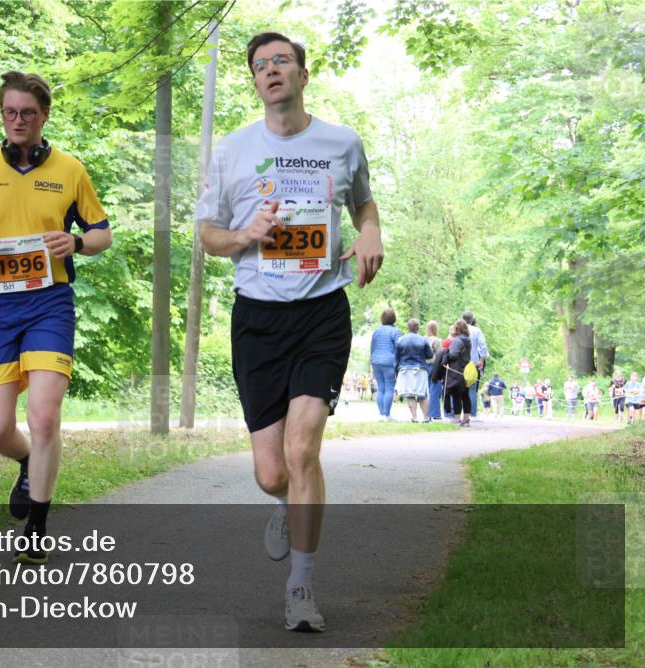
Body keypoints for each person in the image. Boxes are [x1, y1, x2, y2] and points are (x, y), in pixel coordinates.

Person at [196, 31, 383, 633]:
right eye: (260, 65)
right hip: (257, 318)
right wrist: (245, 234)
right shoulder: (232, 151)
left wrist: (371, 233)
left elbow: (364, 205)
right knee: (271, 472)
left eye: (282, 60)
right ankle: (284, 501)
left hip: (321, 311)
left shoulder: (342, 142)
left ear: (303, 75)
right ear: (255, 82)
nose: (271, 69)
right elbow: (208, 234)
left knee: (303, 451)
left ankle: (300, 587)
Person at [0, 71, 112, 565]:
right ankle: (25, 461)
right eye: (9, 112)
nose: (17, 121)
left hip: (48, 304)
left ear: (44, 116)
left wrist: (76, 241)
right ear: (2, 114)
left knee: (43, 415)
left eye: (27, 113)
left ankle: (37, 528)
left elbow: (102, 234)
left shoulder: (70, 170)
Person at [394, 318, 431, 422]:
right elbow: (430, 355)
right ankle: (426, 418)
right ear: (418, 327)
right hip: (420, 369)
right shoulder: (423, 340)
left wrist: (396, 373)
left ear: (408, 327)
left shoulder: (400, 340)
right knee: (423, 394)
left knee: (409, 395)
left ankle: (415, 417)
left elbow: (396, 359)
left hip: (405, 370)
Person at [370, 309, 401, 421]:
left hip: (376, 362)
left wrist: (372, 361)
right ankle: (386, 414)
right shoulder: (396, 331)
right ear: (394, 318)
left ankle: (381, 414)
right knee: (389, 388)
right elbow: (399, 348)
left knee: (380, 388)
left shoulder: (376, 331)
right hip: (389, 362)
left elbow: (372, 347)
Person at [443, 319, 473, 426]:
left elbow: (453, 355)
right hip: (466, 370)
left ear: (457, 328)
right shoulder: (468, 339)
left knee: (456, 395)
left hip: (456, 370)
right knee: (465, 395)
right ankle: (466, 419)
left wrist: (446, 352)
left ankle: (456, 419)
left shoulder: (457, 340)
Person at [461, 311, 488, 419]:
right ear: (472, 319)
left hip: (460, 363)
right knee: (472, 389)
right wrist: (482, 359)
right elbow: (483, 345)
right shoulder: (476, 330)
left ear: (462, 319)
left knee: (458, 387)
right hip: (473, 363)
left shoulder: (457, 328)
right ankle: (472, 414)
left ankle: (456, 413)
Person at [425, 320, 443, 421]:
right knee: (435, 390)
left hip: (424, 367)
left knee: (426, 391)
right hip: (434, 366)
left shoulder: (423, 339)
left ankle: (426, 413)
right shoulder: (437, 341)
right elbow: (440, 355)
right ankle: (434, 413)